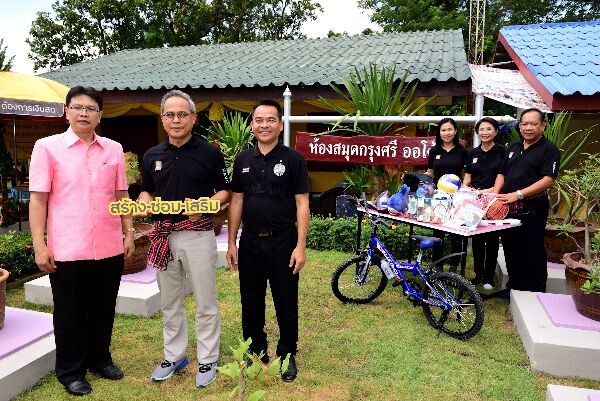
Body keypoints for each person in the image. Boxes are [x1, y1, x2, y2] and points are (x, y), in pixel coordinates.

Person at [29, 86, 134, 396]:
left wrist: (128, 232)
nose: (84, 113)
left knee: (103, 308)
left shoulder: (113, 149)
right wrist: (40, 244)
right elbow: (38, 201)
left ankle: (100, 358)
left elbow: (121, 194)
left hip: (108, 244)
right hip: (67, 247)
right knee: (70, 313)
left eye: (91, 108)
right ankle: (71, 371)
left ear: (100, 115)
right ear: (66, 111)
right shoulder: (46, 147)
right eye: (78, 107)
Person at [139, 90, 230, 388]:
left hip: (198, 235)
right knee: (169, 301)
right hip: (164, 236)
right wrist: (145, 201)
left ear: (194, 118)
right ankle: (174, 356)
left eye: (182, 114)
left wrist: (205, 205)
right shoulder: (152, 155)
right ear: (162, 119)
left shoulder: (210, 153)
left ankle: (207, 359)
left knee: (205, 300)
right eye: (170, 115)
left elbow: (225, 190)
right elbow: (146, 190)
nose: (176, 120)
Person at [226, 100, 309, 383]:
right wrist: (231, 242)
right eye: (259, 120)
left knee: (285, 300)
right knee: (250, 301)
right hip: (249, 242)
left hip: (283, 242)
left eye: (270, 119)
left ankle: (286, 354)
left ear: (280, 124)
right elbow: (236, 200)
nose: (264, 125)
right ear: (252, 125)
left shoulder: (293, 160)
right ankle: (255, 353)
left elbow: (302, 203)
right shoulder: (243, 160)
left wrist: (300, 245)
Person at [493, 108, 560, 293]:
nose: (528, 128)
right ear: (520, 126)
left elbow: (548, 180)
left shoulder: (549, 149)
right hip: (509, 207)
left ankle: (535, 290)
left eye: (533, 124)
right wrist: (495, 194)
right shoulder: (513, 147)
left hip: (533, 208)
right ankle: (513, 287)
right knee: (510, 247)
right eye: (524, 124)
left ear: (543, 126)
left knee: (532, 250)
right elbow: (502, 172)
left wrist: (520, 194)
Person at [463, 117, 505, 290]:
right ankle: (478, 274)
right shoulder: (472, 153)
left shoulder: (503, 152)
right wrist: (468, 190)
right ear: (478, 132)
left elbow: (502, 178)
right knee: (477, 238)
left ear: (495, 132)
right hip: (475, 200)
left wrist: (487, 192)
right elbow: (467, 179)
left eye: (489, 129)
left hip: (494, 200)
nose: (485, 132)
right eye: (481, 129)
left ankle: (489, 276)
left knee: (492, 238)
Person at [425, 117, 468, 272]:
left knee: (456, 232)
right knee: (438, 231)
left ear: (455, 131)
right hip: (438, 197)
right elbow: (430, 173)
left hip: (457, 198)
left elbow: (465, 176)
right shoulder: (434, 151)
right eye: (443, 130)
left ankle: (453, 266)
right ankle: (437, 265)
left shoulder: (463, 151)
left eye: (449, 129)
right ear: (439, 132)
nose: (446, 133)